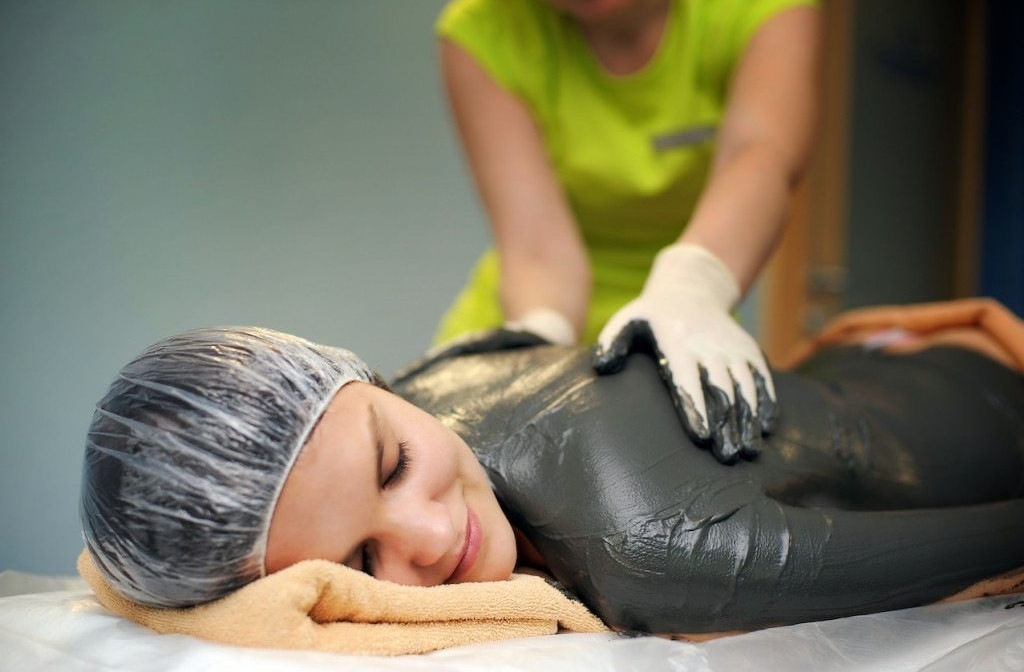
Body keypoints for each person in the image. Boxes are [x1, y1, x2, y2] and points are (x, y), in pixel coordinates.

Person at [79, 300, 1024, 636]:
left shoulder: (651, 546)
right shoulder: (431, 379)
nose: (435, 536)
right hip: (869, 363)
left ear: (370, 379)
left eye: (395, 462)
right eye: (362, 564)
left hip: (988, 396)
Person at [433, 0, 821, 461]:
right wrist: (538, 338)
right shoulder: (484, 30)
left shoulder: (755, 2)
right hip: (538, 311)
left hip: (689, 320)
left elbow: (762, 155)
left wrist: (694, 284)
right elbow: (536, 243)